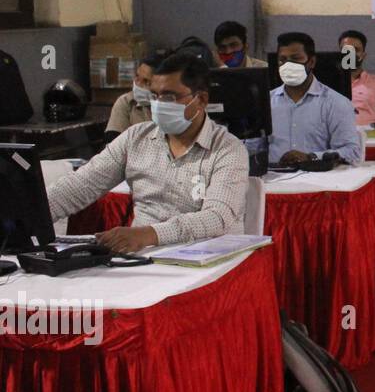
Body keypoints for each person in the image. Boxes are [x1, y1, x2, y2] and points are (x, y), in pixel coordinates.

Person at [46, 54, 249, 252]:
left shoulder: (228, 149)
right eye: (155, 96)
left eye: (169, 96)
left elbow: (217, 218)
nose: (158, 104)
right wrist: (30, 213)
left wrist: (149, 234)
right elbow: (81, 185)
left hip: (208, 261)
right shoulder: (136, 138)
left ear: (202, 100)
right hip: (143, 258)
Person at [269, 31, 364, 165]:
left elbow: (352, 152)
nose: (288, 65)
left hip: (319, 179)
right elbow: (251, 149)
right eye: (283, 60)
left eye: (296, 59)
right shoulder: (266, 102)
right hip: (273, 180)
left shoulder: (336, 103)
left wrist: (312, 157)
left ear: (311, 62)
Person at [105, 50, 168, 138]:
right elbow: (113, 142)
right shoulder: (126, 102)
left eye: (146, 81)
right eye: (137, 77)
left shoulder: (172, 108)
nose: (138, 84)